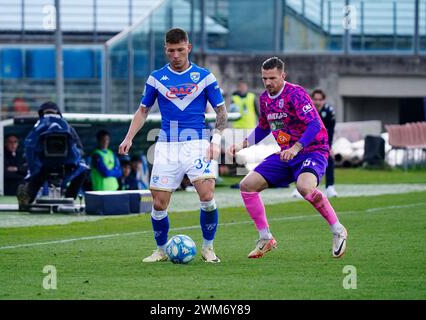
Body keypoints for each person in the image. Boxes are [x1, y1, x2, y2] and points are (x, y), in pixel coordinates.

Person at [119, 28, 227, 263]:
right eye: (171, 50)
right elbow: (143, 111)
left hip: (198, 142)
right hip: (167, 145)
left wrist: (215, 140)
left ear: (188, 47)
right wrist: (128, 137)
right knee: (158, 203)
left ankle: (208, 248)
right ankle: (161, 250)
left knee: (207, 196)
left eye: (180, 50)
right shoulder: (157, 78)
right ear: (165, 50)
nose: (176, 55)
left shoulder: (205, 76)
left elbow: (221, 112)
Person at [229, 57, 348, 259]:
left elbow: (314, 125)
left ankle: (338, 230)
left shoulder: (296, 93)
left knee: (304, 188)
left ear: (283, 76)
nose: (267, 83)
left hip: (312, 150)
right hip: (286, 154)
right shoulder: (265, 99)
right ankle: (265, 238)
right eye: (264, 78)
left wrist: (296, 147)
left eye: (272, 78)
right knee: (247, 185)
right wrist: (243, 144)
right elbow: (264, 128)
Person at [16, 101, 88, 210]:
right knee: (36, 174)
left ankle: (68, 199)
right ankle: (26, 199)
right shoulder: (40, 128)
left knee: (83, 169)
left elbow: (29, 147)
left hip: (63, 166)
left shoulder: (66, 129)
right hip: (46, 166)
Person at [311, 89, 338, 198]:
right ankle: (300, 188)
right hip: (308, 143)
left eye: (319, 100)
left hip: (323, 143)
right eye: (315, 99)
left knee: (329, 159)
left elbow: (330, 131)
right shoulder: (306, 110)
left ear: (324, 100)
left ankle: (330, 187)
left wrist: (329, 147)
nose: (317, 102)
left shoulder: (329, 111)